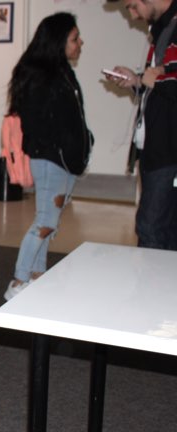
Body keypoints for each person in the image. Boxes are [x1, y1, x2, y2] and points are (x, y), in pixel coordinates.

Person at [3, 12, 93, 300]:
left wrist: (83, 141)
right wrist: (63, 147)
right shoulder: (40, 76)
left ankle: (37, 276)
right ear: (58, 41)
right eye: (74, 38)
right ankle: (18, 282)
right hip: (50, 161)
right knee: (44, 221)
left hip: (65, 161)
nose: (80, 43)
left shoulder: (62, 71)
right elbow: (38, 124)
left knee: (50, 222)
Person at [104, 0, 177, 250]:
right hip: (157, 148)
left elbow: (164, 83)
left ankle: (154, 288)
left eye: (133, 6)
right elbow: (159, 86)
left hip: (169, 152)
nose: (133, 15)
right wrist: (136, 81)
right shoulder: (162, 29)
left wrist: (155, 82)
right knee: (157, 228)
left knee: (152, 228)